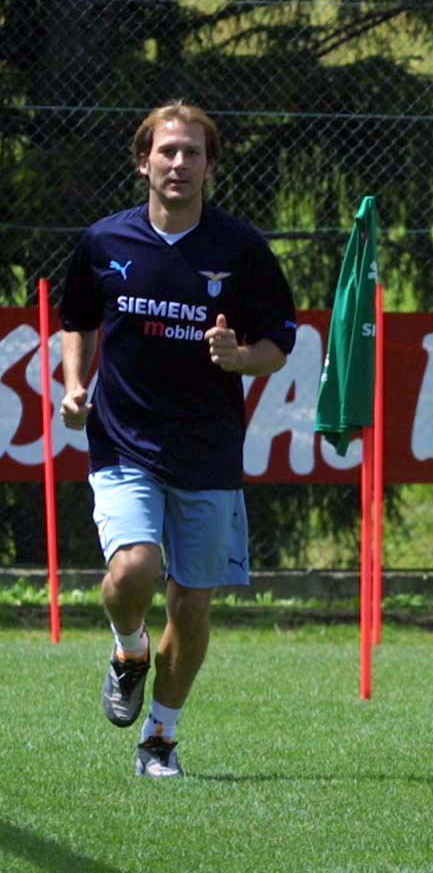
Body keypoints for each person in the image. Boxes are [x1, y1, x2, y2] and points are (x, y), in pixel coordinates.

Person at [60, 101, 297, 778]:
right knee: (133, 569)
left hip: (209, 447)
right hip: (124, 437)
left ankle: (160, 738)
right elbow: (76, 318)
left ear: (209, 167)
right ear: (143, 161)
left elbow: (279, 342)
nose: (178, 163)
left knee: (191, 602)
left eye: (192, 152)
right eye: (167, 150)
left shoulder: (241, 249)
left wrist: (238, 357)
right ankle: (129, 646)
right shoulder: (106, 242)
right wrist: (75, 384)